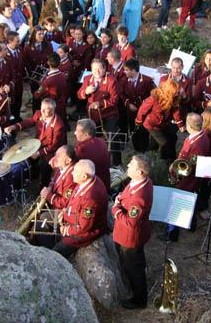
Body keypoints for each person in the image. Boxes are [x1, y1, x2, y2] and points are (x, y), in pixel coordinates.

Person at [112, 154, 154, 310]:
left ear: (140, 172)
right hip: (128, 235)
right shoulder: (139, 182)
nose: (127, 166)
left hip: (129, 238)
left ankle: (139, 300)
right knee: (135, 263)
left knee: (133, 267)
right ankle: (134, 285)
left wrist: (116, 209)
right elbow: (127, 194)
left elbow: (131, 222)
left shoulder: (139, 197)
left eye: (131, 165)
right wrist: (121, 199)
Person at [165, 113, 211, 242]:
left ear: (189, 126)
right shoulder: (199, 136)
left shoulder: (197, 143)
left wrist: (174, 170)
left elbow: (189, 166)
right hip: (192, 177)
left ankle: (172, 234)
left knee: (177, 203)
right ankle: (192, 224)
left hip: (188, 178)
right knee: (193, 198)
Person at [5, 98, 67, 187]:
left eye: (46, 109)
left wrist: (39, 153)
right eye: (42, 108)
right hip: (39, 143)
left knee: (45, 166)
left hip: (52, 150)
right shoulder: (39, 113)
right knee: (27, 156)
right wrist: (14, 127)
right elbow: (29, 122)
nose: (42, 111)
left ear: (52, 110)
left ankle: (44, 185)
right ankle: (34, 174)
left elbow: (54, 146)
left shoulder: (58, 125)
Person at [55, 159, 108, 258]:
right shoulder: (88, 181)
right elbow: (74, 199)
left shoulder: (91, 198)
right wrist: (64, 211)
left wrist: (66, 230)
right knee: (44, 221)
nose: (72, 173)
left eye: (75, 171)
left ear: (84, 176)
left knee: (56, 251)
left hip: (84, 234)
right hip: (71, 218)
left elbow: (84, 227)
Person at [136, 79, 185, 161]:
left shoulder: (175, 97)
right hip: (151, 124)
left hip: (163, 123)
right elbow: (143, 109)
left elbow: (176, 111)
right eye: (175, 92)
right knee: (164, 143)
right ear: (169, 91)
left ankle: (151, 155)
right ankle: (164, 161)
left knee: (168, 139)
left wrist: (180, 124)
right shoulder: (154, 97)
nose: (177, 93)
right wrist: (138, 121)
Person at [120, 58, 156, 152]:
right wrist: (128, 104)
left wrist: (145, 106)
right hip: (131, 112)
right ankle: (137, 149)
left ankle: (143, 150)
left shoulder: (147, 80)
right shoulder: (124, 81)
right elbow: (122, 94)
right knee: (133, 130)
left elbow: (154, 95)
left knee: (143, 132)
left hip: (144, 113)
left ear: (134, 70)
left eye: (127, 70)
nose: (124, 72)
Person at [74, 118, 111, 190]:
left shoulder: (81, 149)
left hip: (91, 188)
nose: (74, 133)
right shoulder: (102, 142)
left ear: (86, 135)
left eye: (77, 131)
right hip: (105, 185)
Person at [40, 145, 77, 210]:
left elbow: (65, 203)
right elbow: (53, 180)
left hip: (62, 211)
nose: (54, 158)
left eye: (59, 156)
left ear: (68, 160)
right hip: (54, 201)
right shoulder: (60, 167)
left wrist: (48, 195)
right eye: (55, 155)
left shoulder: (71, 177)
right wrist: (50, 187)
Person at [35, 52, 68, 122]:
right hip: (61, 104)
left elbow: (37, 95)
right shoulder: (63, 75)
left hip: (51, 107)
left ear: (48, 63)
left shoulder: (47, 81)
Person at [23, 25, 53, 95]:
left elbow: (51, 58)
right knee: (36, 94)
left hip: (46, 74)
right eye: (39, 34)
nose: (42, 36)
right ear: (34, 35)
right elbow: (26, 62)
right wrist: (31, 74)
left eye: (43, 34)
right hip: (34, 75)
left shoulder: (48, 45)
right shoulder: (28, 47)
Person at [5, 31, 23, 122]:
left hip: (19, 81)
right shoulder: (5, 53)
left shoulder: (19, 50)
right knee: (11, 101)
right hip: (10, 82)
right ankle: (11, 118)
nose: (19, 42)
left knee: (19, 99)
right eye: (17, 41)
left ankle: (17, 115)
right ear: (10, 41)